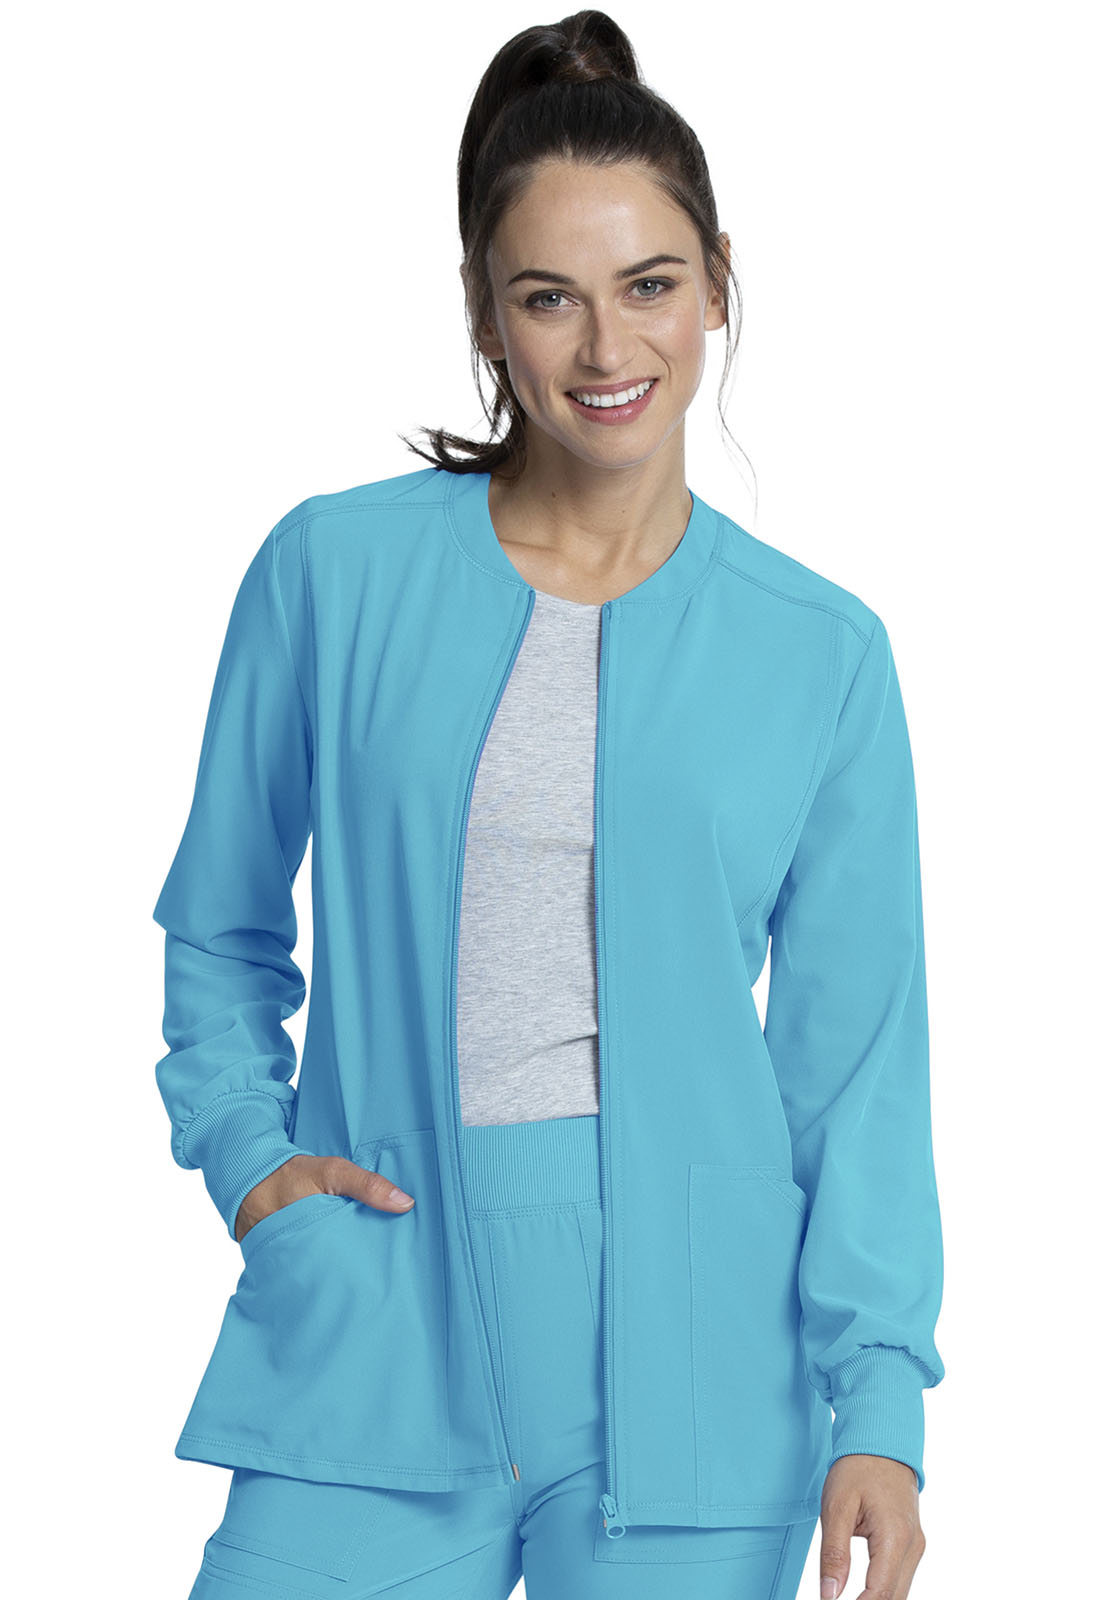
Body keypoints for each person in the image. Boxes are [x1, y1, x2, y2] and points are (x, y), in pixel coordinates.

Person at [154, 10, 946, 1599]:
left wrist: (880, 1403)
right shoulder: (331, 573)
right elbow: (221, 924)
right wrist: (250, 1157)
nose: (606, 350)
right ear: (484, 311)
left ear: (718, 283)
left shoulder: (822, 653)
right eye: (548, 297)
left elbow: (855, 1072)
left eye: (649, 286)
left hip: (703, 1367)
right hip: (378, 1311)